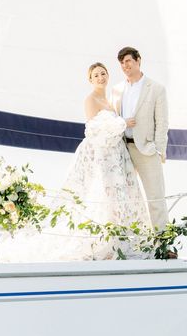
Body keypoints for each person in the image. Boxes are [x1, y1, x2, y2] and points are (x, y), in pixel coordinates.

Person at [63, 62, 148, 259]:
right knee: (105, 196)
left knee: (118, 197)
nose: (100, 77)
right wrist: (122, 122)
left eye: (103, 73)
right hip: (102, 156)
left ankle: (117, 242)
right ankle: (104, 244)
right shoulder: (91, 99)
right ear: (90, 80)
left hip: (116, 156)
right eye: (96, 75)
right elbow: (94, 129)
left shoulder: (111, 101)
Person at [112, 47, 170, 232]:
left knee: (155, 197)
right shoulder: (117, 90)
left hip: (146, 150)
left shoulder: (156, 89)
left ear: (138, 60)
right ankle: (134, 242)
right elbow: (112, 117)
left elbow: (162, 122)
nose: (125, 65)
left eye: (128, 61)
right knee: (126, 197)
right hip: (123, 149)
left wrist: (159, 149)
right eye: (121, 62)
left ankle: (164, 244)